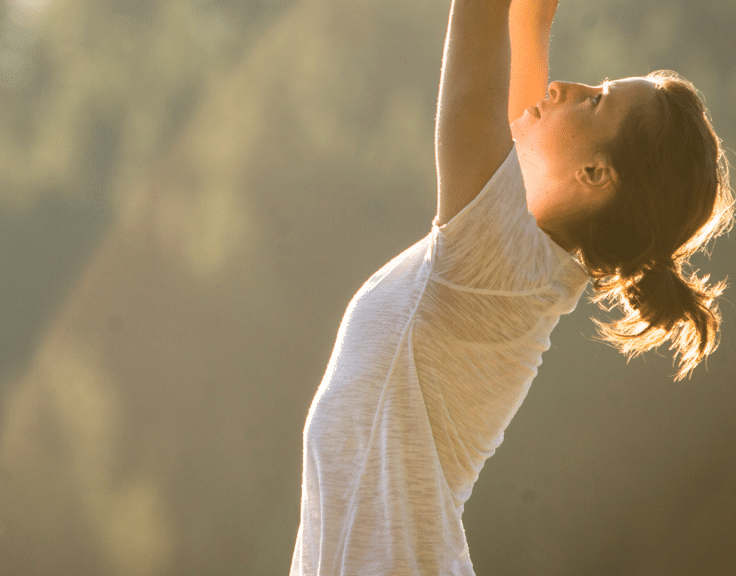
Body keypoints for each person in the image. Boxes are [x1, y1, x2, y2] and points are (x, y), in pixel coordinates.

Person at [289, 0, 734, 574]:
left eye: (594, 99)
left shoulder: (500, 259)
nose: (561, 86)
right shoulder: (520, 258)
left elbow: (482, 15)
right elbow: (527, 18)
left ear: (596, 174)